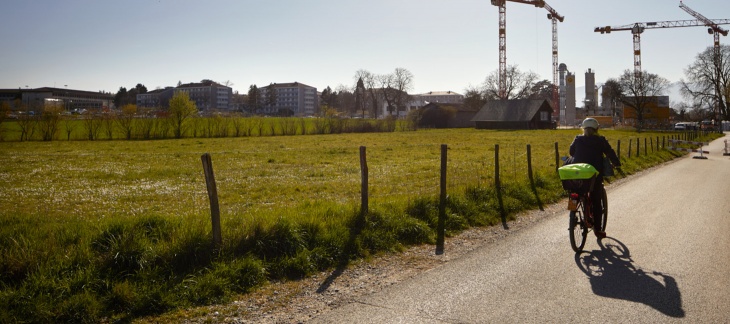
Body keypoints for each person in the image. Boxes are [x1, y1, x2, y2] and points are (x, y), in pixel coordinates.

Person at [569, 118, 621, 239]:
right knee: (597, 201)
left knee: (575, 193)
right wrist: (616, 163)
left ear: (583, 128)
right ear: (597, 129)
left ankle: (572, 216)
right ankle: (598, 230)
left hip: (578, 173)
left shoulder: (577, 139)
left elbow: (571, 152)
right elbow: (610, 152)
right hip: (594, 175)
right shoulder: (600, 140)